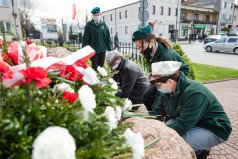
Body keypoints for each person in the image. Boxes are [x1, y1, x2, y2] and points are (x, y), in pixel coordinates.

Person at [150, 61, 232, 159]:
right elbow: (157, 111)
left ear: (170, 82)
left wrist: (159, 137)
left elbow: (182, 125)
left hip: (212, 127)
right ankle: (198, 147)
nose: (157, 88)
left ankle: (201, 152)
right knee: (166, 128)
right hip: (192, 121)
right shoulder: (167, 90)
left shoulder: (195, 93)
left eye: (158, 85)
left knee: (175, 143)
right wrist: (147, 124)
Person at [132, 25, 189, 111]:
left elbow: (167, 79)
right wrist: (153, 75)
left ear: (152, 42)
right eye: (138, 47)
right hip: (163, 76)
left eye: (140, 47)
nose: (139, 50)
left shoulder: (165, 56)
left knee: (151, 97)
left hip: (177, 78)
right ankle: (156, 114)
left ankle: (159, 115)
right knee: (147, 95)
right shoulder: (150, 50)